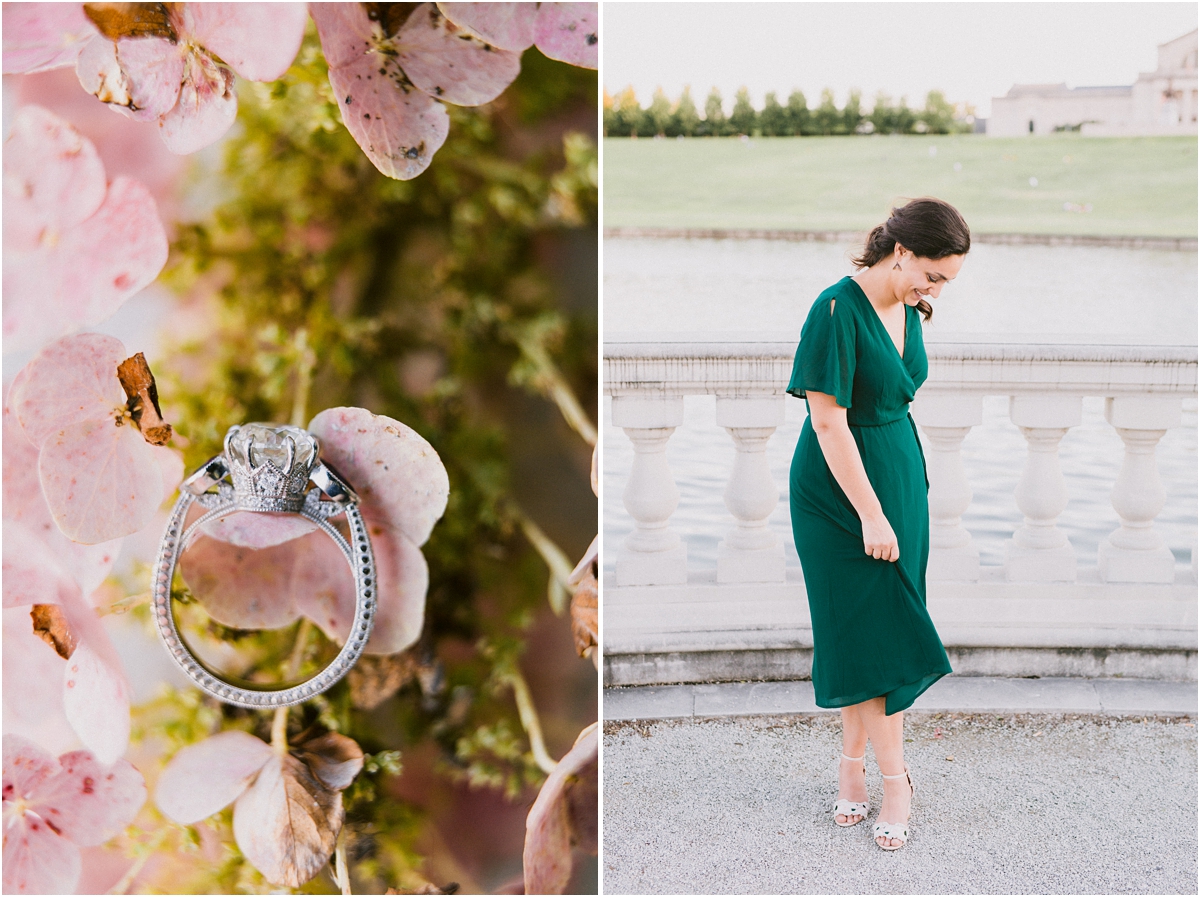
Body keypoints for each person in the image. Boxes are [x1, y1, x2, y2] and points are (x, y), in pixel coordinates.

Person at [786, 197, 969, 850]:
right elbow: (828, 421)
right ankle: (896, 780)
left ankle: (850, 767)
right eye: (934, 274)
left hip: (898, 478)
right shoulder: (835, 310)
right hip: (841, 495)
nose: (937, 290)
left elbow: (895, 393)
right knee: (869, 636)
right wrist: (869, 512)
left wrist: (892, 503)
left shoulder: (909, 306)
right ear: (902, 252)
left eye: (947, 280)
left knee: (879, 630)